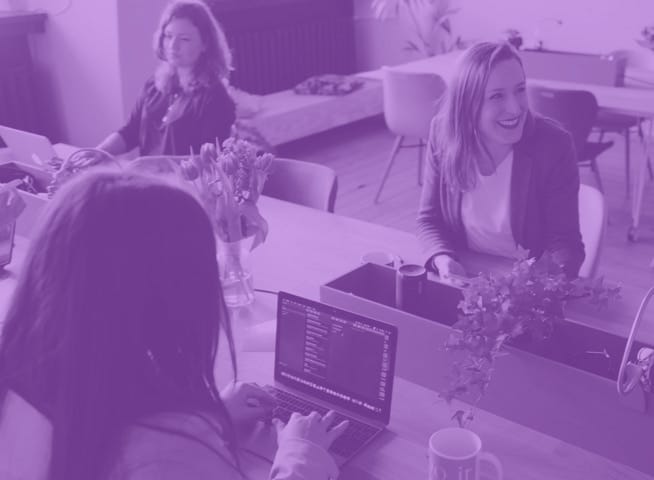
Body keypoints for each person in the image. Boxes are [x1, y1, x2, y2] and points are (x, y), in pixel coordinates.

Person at [0, 170, 347, 480]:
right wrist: (302, 456)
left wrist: (210, 415)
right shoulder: (168, 451)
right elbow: (151, 456)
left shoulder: (21, 379)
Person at [417, 41, 585, 279]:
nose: (515, 108)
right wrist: (443, 260)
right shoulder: (442, 133)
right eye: (496, 96)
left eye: (520, 90)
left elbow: (566, 246)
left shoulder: (554, 144)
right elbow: (429, 219)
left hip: (526, 287)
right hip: (466, 275)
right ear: (467, 106)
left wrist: (533, 280)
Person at [98, 0, 236, 157]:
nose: (173, 45)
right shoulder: (153, 85)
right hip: (146, 177)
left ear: (206, 44)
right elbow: (130, 132)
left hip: (180, 181)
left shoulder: (216, 98)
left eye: (184, 39)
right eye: (168, 36)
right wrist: (98, 152)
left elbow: (209, 162)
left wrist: (146, 165)